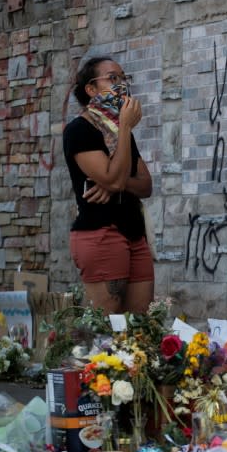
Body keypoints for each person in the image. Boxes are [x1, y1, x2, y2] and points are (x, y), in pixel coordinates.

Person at [63, 57, 154, 315]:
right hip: (101, 233)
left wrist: (115, 184)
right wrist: (125, 126)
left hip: (134, 234)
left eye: (123, 78)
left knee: (140, 326)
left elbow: (146, 185)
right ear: (91, 89)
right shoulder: (79, 131)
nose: (122, 86)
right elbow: (113, 178)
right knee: (107, 329)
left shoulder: (119, 132)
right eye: (113, 78)